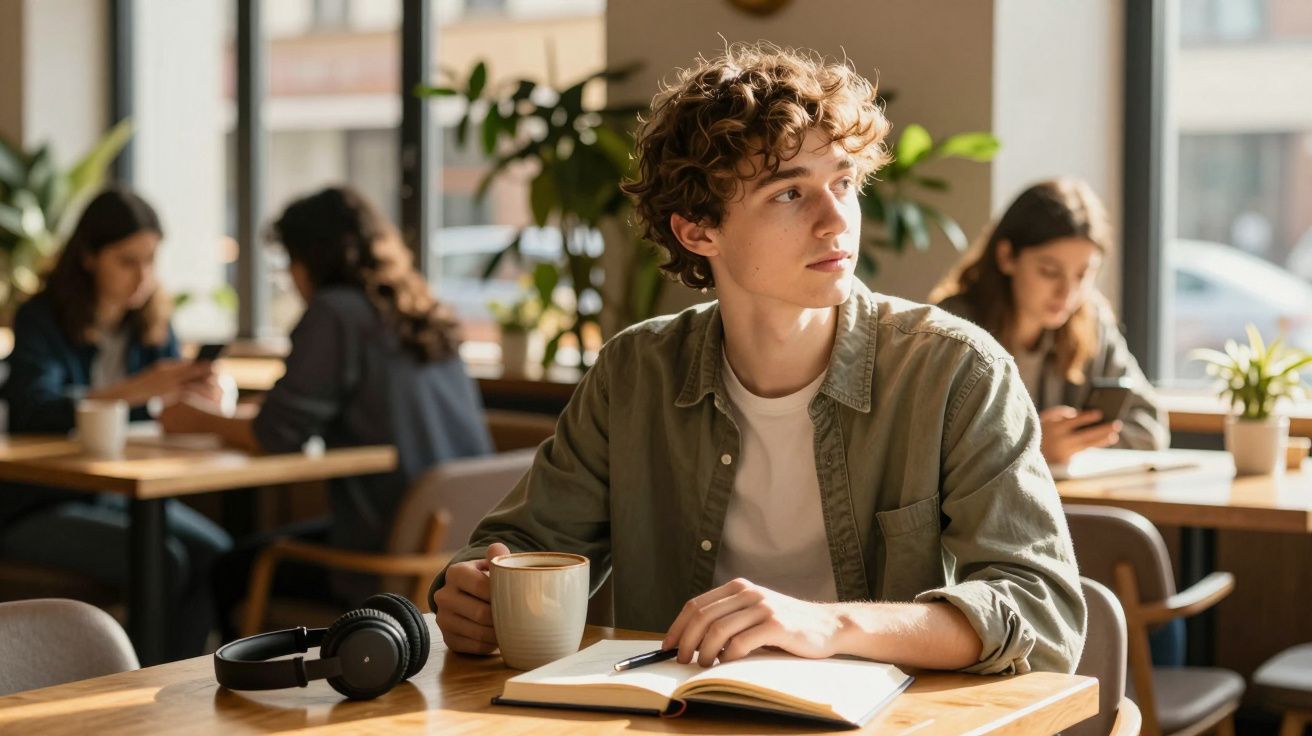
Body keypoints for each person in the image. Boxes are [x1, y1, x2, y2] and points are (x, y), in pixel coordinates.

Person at [430, 43, 1085, 675]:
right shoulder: (636, 375)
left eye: (845, 182)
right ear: (697, 229)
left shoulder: (955, 371)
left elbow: (1041, 612)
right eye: (790, 193)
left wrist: (827, 627)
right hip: (678, 718)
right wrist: (474, 597)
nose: (837, 221)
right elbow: (523, 549)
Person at [159, 186, 493, 639]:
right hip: (447, 548)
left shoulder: (334, 312)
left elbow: (277, 434)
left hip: (383, 553)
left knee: (230, 567)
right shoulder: (419, 308)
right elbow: (304, 412)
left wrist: (195, 417)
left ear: (306, 259)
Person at [0, 187, 232, 659]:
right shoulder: (41, 317)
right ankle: (141, 696)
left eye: (150, 260)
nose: (143, 276)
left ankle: (181, 687)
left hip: (116, 494)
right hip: (38, 502)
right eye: (128, 261)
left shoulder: (152, 323)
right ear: (88, 256)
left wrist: (199, 398)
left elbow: (162, 411)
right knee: (162, 561)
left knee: (218, 552)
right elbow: (34, 411)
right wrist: (138, 388)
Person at [931, 178, 1169, 466]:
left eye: (1083, 275)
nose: (1067, 293)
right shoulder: (952, 332)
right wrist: (1031, 445)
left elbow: (1150, 428)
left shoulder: (1090, 321)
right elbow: (929, 450)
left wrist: (1076, 442)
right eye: (1049, 271)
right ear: (1007, 257)